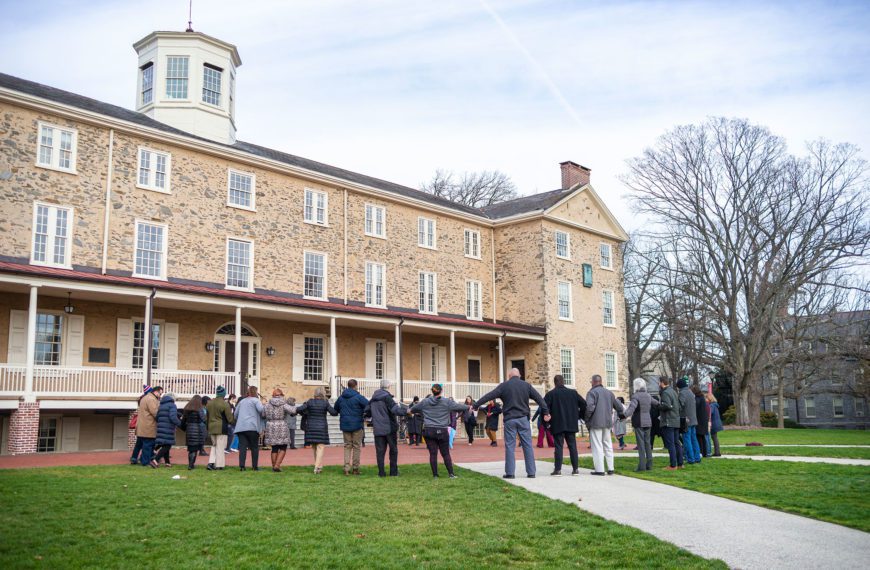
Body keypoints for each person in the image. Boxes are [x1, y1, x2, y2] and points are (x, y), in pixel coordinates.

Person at [474, 368, 549, 479]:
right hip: (523, 419)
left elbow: (489, 396)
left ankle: (510, 473)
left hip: (510, 419)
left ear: (509, 376)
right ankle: (531, 472)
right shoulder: (526, 386)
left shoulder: (504, 386)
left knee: (510, 446)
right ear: (519, 375)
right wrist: (546, 412)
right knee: (527, 445)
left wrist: (476, 405)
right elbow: (539, 399)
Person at [410, 384, 470, 478]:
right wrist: (469, 406)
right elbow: (460, 407)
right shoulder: (447, 402)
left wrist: (409, 411)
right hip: (442, 430)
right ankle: (451, 474)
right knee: (445, 453)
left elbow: (412, 409)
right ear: (441, 391)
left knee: (433, 454)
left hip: (429, 430)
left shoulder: (425, 402)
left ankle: (435, 475)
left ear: (432, 391)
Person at [543, 375, 586, 476]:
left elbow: (544, 408)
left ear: (554, 382)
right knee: (572, 446)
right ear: (563, 381)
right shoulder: (573, 393)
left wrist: (547, 421)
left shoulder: (550, 394)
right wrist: (579, 415)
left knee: (558, 447)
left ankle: (558, 470)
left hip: (557, 423)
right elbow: (584, 404)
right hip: (571, 423)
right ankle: (575, 469)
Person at [584, 375, 625, 475]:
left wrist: (586, 419)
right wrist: (620, 414)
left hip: (595, 422)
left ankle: (600, 469)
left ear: (593, 382)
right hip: (607, 422)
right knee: (608, 445)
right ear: (601, 381)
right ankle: (611, 468)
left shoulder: (592, 393)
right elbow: (619, 406)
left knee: (597, 445)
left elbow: (590, 407)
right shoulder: (609, 393)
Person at [365, 379, 406, 477]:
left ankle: (381, 473)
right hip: (389, 428)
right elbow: (395, 410)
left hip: (378, 428)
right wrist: (407, 411)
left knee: (380, 452)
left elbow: (367, 412)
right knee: (393, 450)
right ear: (388, 387)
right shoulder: (387, 397)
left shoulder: (372, 399)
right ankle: (393, 472)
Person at [296, 387, 338, 474]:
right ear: (323, 394)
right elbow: (334, 413)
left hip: (311, 427)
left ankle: (318, 466)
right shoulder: (325, 403)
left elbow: (299, 409)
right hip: (321, 427)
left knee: (315, 448)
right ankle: (317, 467)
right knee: (320, 447)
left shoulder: (309, 402)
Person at [335, 379, 369, 475]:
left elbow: (335, 408)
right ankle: (355, 468)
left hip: (345, 424)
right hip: (357, 424)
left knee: (347, 446)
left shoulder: (341, 397)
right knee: (356, 446)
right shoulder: (359, 397)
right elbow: (368, 405)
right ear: (355, 386)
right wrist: (363, 412)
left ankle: (346, 468)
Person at [622, 378, 656, 471]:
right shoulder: (648, 395)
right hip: (648, 422)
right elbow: (656, 403)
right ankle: (649, 465)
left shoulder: (635, 396)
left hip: (639, 422)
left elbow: (631, 409)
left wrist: (623, 415)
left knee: (641, 445)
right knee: (648, 443)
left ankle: (642, 466)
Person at [264, 388, 296, 472]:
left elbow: (263, 414)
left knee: (274, 447)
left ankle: (274, 466)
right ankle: (277, 465)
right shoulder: (283, 404)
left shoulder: (267, 405)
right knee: (283, 446)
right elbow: (293, 411)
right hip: (281, 425)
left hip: (271, 425)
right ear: (281, 395)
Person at [234, 386, 265, 471]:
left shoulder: (242, 401)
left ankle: (242, 466)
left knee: (242, 447)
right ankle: (254, 466)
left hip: (241, 427)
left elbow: (235, 414)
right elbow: (262, 411)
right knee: (254, 447)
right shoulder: (256, 401)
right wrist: (264, 405)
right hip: (252, 427)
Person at [206, 386, 235, 471]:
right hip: (221, 428)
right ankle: (219, 465)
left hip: (211, 427)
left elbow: (207, 417)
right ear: (223, 394)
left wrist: (208, 427)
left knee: (214, 446)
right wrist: (235, 422)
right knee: (220, 447)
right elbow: (230, 419)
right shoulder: (225, 404)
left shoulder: (209, 403)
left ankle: (211, 463)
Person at [657, 376, 683, 470]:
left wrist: (658, 406)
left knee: (670, 444)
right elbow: (679, 406)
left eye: (659, 382)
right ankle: (680, 464)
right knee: (677, 443)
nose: (658, 384)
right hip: (676, 420)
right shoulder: (674, 391)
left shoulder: (665, 393)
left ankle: (673, 465)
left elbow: (667, 405)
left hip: (668, 421)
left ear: (662, 383)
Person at [135, 385, 162, 467]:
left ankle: (144, 460)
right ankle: (145, 462)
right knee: (148, 445)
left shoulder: (145, 398)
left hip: (144, 425)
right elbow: (155, 413)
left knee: (146, 445)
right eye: (160, 393)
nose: (160, 396)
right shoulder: (151, 399)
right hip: (148, 426)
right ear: (156, 392)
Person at [153, 392, 181, 468]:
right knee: (167, 446)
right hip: (168, 428)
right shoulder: (172, 405)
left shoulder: (161, 405)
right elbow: (173, 417)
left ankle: (167, 463)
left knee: (165, 445)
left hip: (161, 427)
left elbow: (157, 417)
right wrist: (180, 424)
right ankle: (155, 460)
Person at [678, 377, 701, 464]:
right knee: (694, 439)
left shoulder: (682, 393)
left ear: (679, 387)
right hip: (693, 419)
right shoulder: (691, 392)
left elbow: (680, 406)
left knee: (687, 440)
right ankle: (697, 457)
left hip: (686, 421)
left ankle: (690, 459)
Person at [182, 395, 208, 470]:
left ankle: (190, 464)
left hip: (189, 429)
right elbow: (204, 419)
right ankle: (191, 465)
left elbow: (183, 421)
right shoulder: (199, 409)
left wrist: (185, 429)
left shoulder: (187, 409)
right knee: (195, 449)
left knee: (191, 449)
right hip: (197, 430)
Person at [129, 385, 152, 465]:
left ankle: (134, 458)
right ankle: (144, 458)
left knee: (139, 443)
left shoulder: (141, 399)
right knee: (146, 443)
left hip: (140, 425)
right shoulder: (148, 399)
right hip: (145, 424)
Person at [692, 385, 709, 458]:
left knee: (699, 437)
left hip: (699, 420)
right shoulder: (702, 397)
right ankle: (705, 452)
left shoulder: (697, 398)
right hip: (703, 420)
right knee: (702, 437)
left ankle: (701, 452)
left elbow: (695, 408)